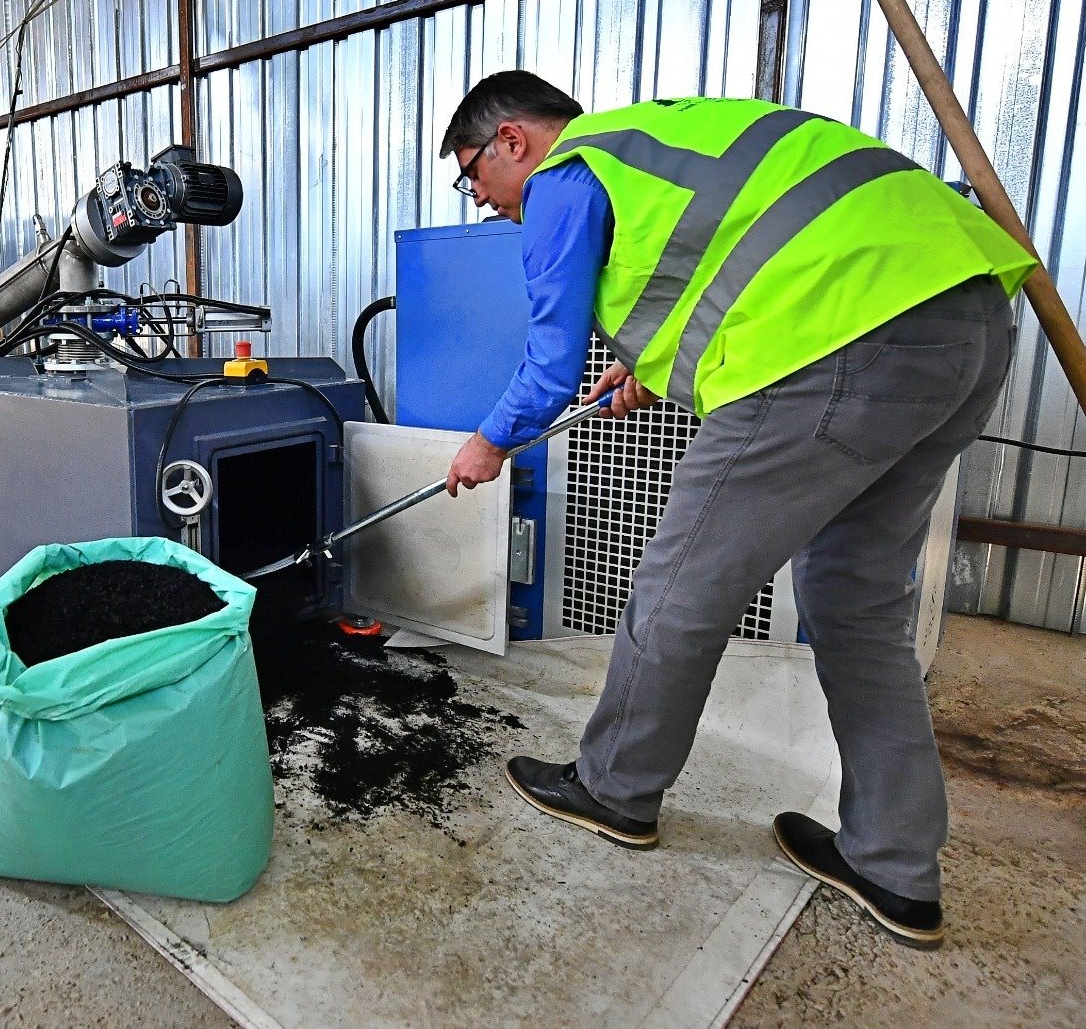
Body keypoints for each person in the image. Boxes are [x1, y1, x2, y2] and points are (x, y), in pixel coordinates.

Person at [439, 71, 1035, 949]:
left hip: (835, 340)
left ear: (512, 141)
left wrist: (488, 442)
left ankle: (613, 788)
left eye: (473, 176)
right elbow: (732, 266)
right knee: (857, 602)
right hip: (964, 317)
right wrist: (649, 364)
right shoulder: (661, 140)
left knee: (680, 588)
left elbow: (549, 362)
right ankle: (894, 863)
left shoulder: (568, 173)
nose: (486, 202)